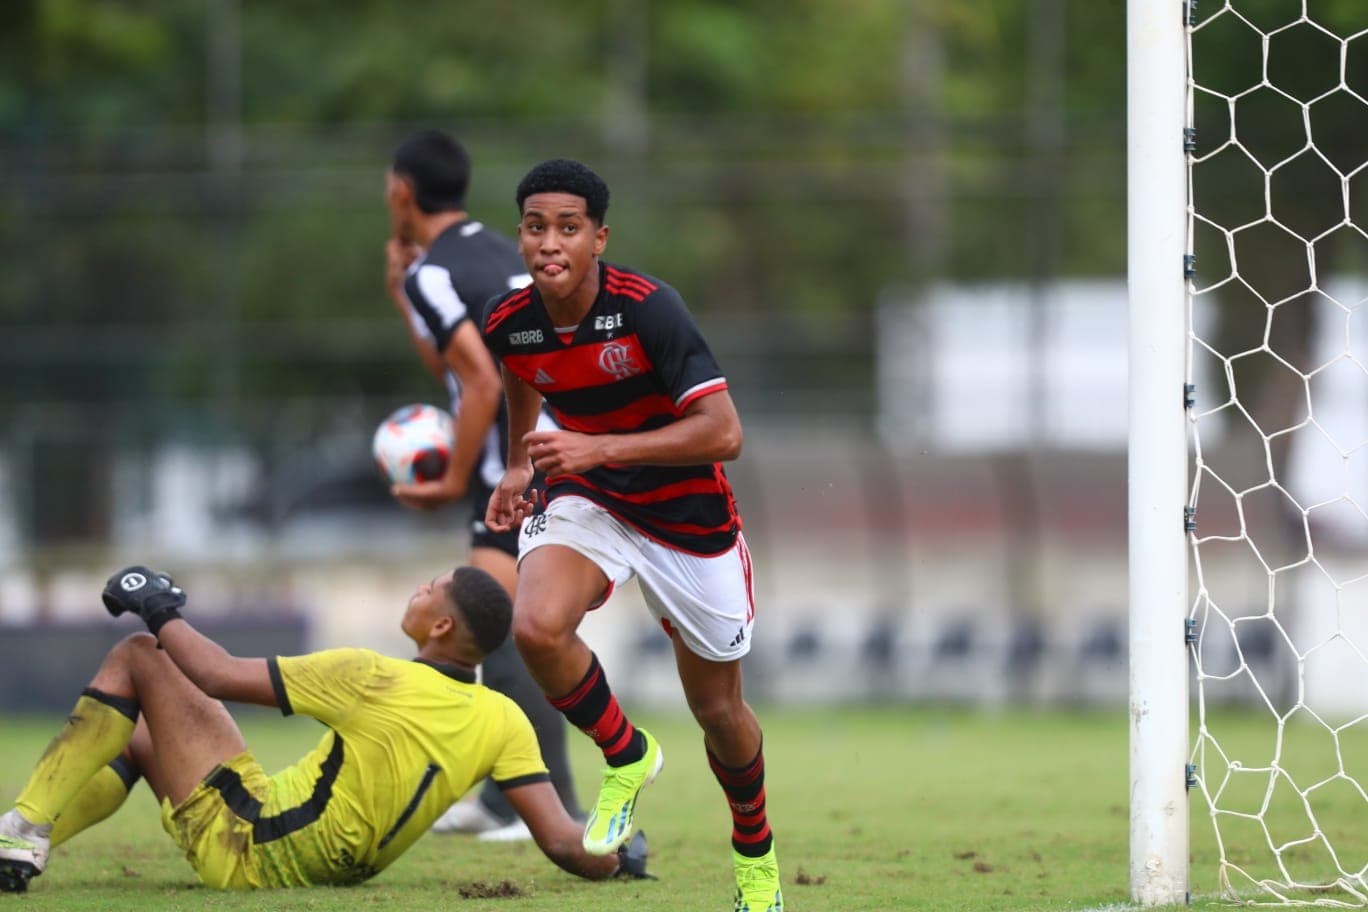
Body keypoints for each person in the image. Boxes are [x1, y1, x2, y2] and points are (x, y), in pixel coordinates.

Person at [481, 158, 784, 912]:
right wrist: (523, 463)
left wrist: (598, 446)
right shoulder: (507, 319)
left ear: (598, 238)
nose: (550, 242)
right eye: (535, 227)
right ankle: (628, 753)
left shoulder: (650, 308)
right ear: (521, 237)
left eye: (568, 228)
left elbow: (725, 432)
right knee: (536, 626)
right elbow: (524, 370)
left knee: (718, 713)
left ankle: (756, 855)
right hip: (586, 495)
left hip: (688, 517)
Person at [0, 564, 648, 893]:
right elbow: (564, 843)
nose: (417, 593)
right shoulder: (503, 717)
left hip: (254, 845)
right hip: (315, 857)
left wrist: (157, 605)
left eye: (429, 589)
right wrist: (619, 857)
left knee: (138, 658)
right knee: (139, 737)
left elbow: (219, 675)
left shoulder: (369, 675)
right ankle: (28, 840)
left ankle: (25, 826)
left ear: (442, 627)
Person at [383, 129, 581, 840]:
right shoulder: (500, 251)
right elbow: (456, 358)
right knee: (499, 627)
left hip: (515, 461)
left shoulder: (434, 271)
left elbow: (474, 375)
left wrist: (455, 479)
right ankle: (507, 801)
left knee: (501, 628)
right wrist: (401, 293)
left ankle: (546, 808)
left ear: (402, 192)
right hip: (556, 442)